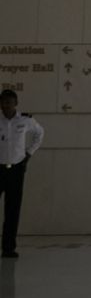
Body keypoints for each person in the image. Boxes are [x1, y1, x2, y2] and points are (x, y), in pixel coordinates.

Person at [0, 89, 44, 260]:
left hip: (16, 170)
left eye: (9, 102)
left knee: (12, 210)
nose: (5, 105)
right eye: (3, 102)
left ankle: (8, 249)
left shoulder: (25, 120)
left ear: (15, 103)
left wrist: (29, 153)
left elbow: (40, 134)